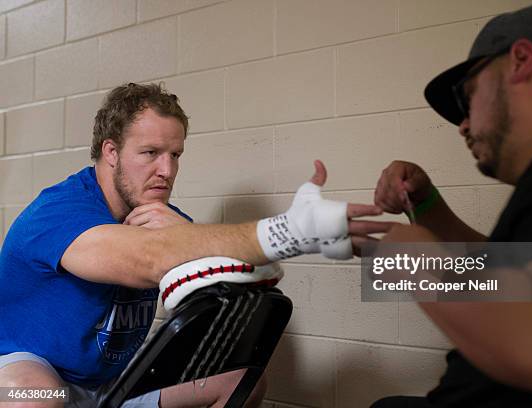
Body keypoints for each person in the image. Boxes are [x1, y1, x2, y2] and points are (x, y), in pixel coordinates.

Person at [0, 83, 393, 408]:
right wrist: (293, 231)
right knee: (36, 399)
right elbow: (146, 259)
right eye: (150, 153)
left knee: (243, 382)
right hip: (25, 376)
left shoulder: (165, 219)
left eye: (175, 155)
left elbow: (234, 276)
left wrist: (310, 239)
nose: (167, 171)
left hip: (108, 386)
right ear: (111, 151)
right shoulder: (57, 212)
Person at [371, 4, 532, 407]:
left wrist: (417, 266)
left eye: (467, 98)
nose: (462, 125)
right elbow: (522, 281)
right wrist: (427, 206)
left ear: (521, 60)